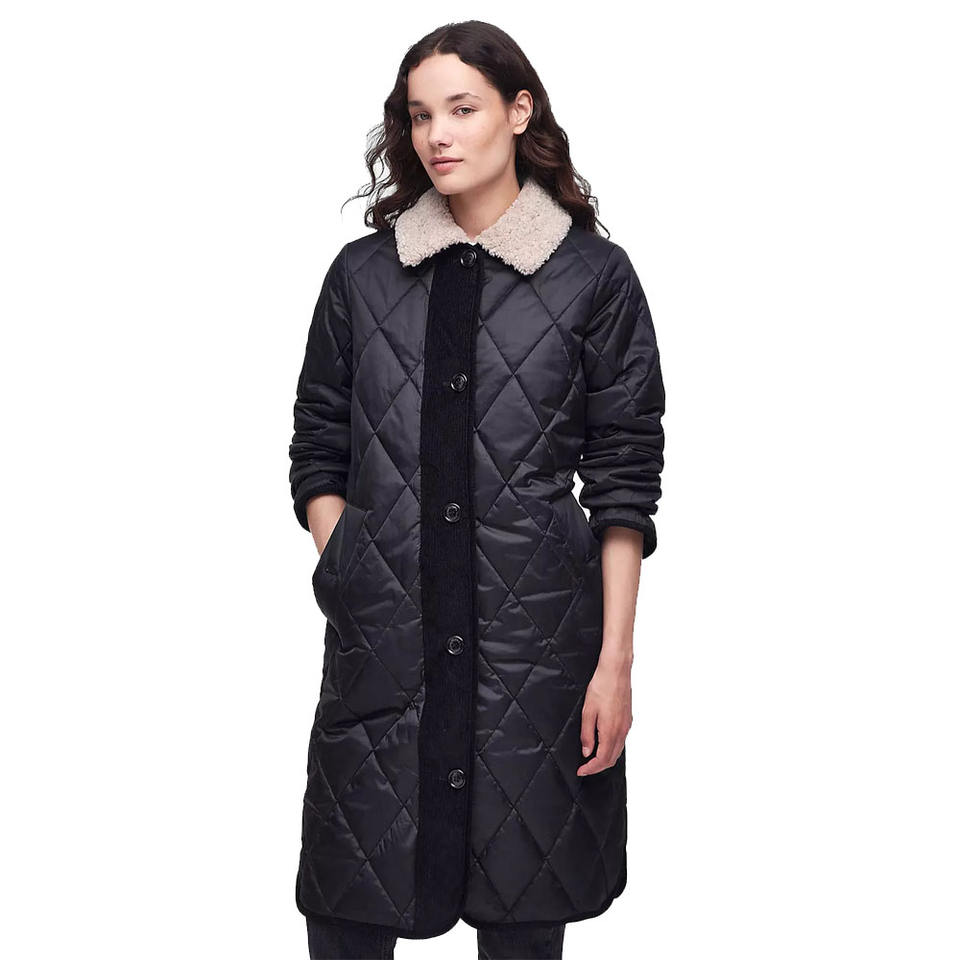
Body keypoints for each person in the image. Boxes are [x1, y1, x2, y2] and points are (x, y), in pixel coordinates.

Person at [288, 19, 666, 960]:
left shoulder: (592, 278)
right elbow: (318, 445)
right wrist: (350, 563)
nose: (437, 136)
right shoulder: (363, 276)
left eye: (461, 109)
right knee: (348, 915)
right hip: (385, 655)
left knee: (524, 920)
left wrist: (614, 662)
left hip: (535, 662)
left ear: (518, 111)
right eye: (421, 116)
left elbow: (624, 478)